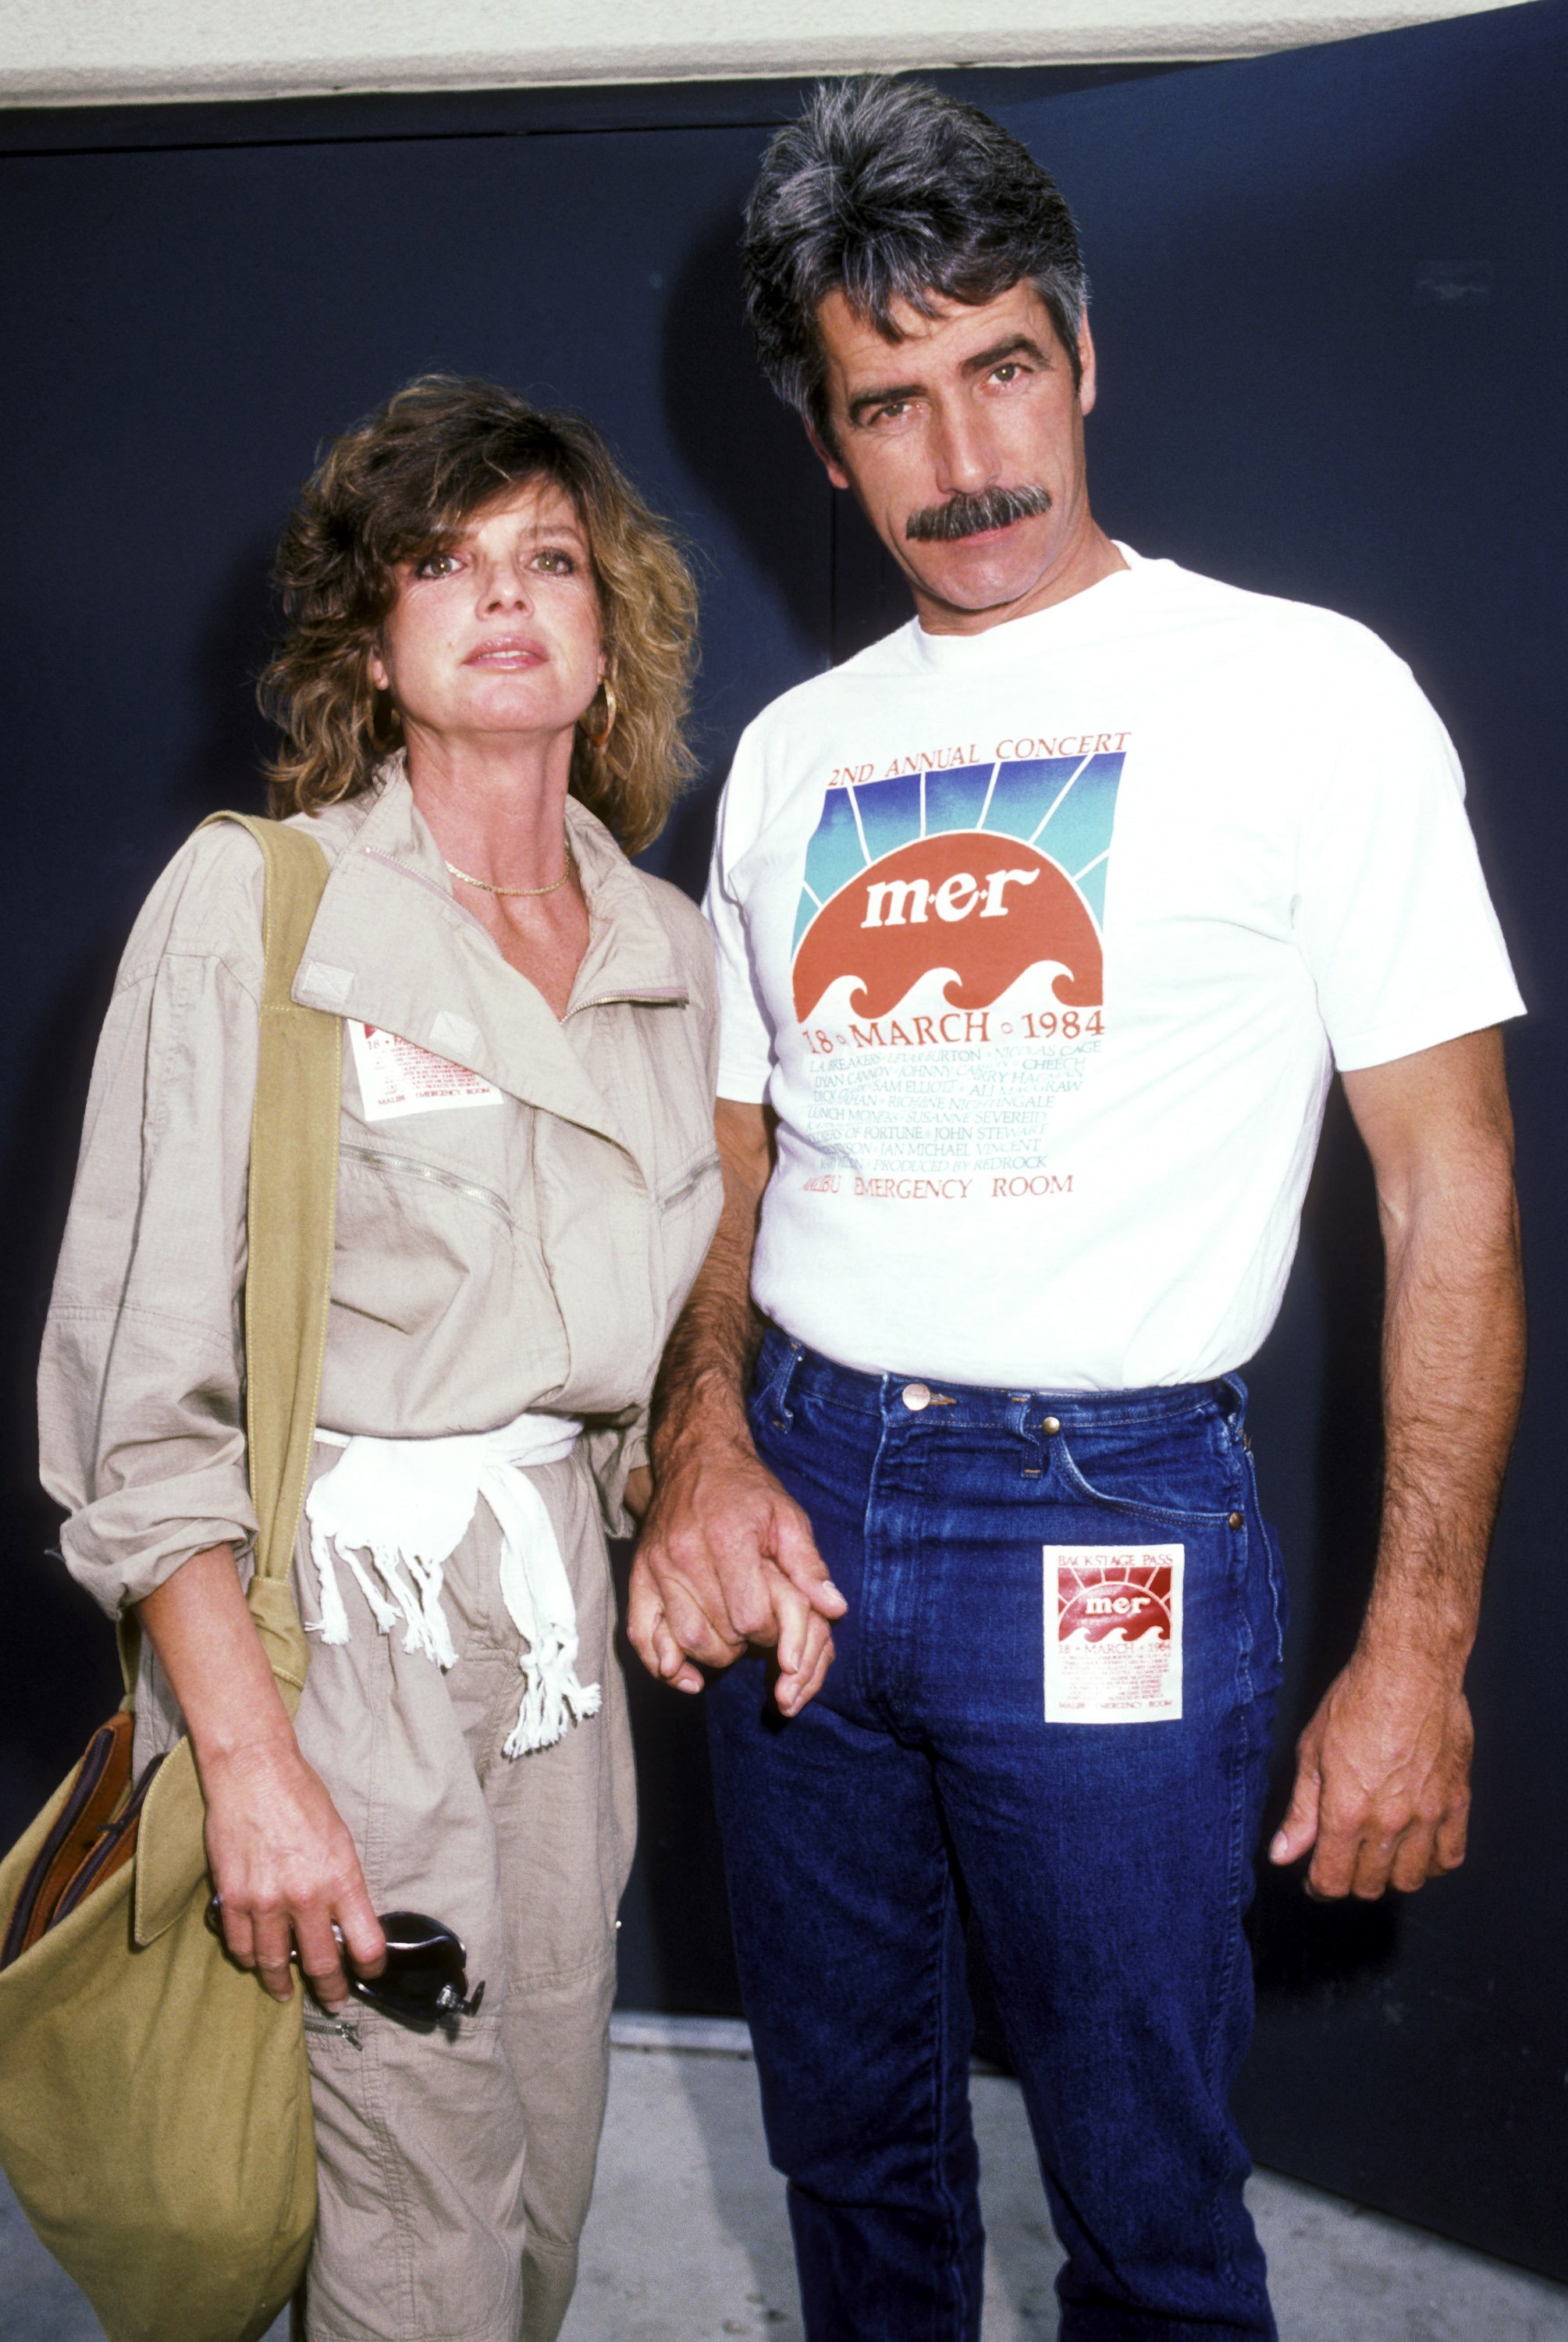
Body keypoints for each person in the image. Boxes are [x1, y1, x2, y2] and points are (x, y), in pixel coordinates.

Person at [628, 79, 1526, 2341]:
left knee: (1142, 2190)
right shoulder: (796, 764)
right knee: (850, 2154)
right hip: (809, 1509)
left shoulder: (1306, 696)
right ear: (826, 451)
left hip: (1099, 1522)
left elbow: (1452, 1192)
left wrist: (1416, 1646)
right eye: (890, 406)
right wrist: (704, 1442)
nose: (964, 460)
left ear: (1085, 358)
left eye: (1000, 367)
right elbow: (734, 1172)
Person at [39, 375, 722, 2342]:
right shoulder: (265, 907)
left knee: (541, 2178)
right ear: (373, 633)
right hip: (337, 1657)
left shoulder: (669, 951)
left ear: (607, 632)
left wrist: (689, 1501)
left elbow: (654, 1344)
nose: (503, 596)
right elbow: (132, 1397)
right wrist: (248, 1767)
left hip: (559, 1665)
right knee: (413, 2218)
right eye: (445, 561)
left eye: (549, 560)